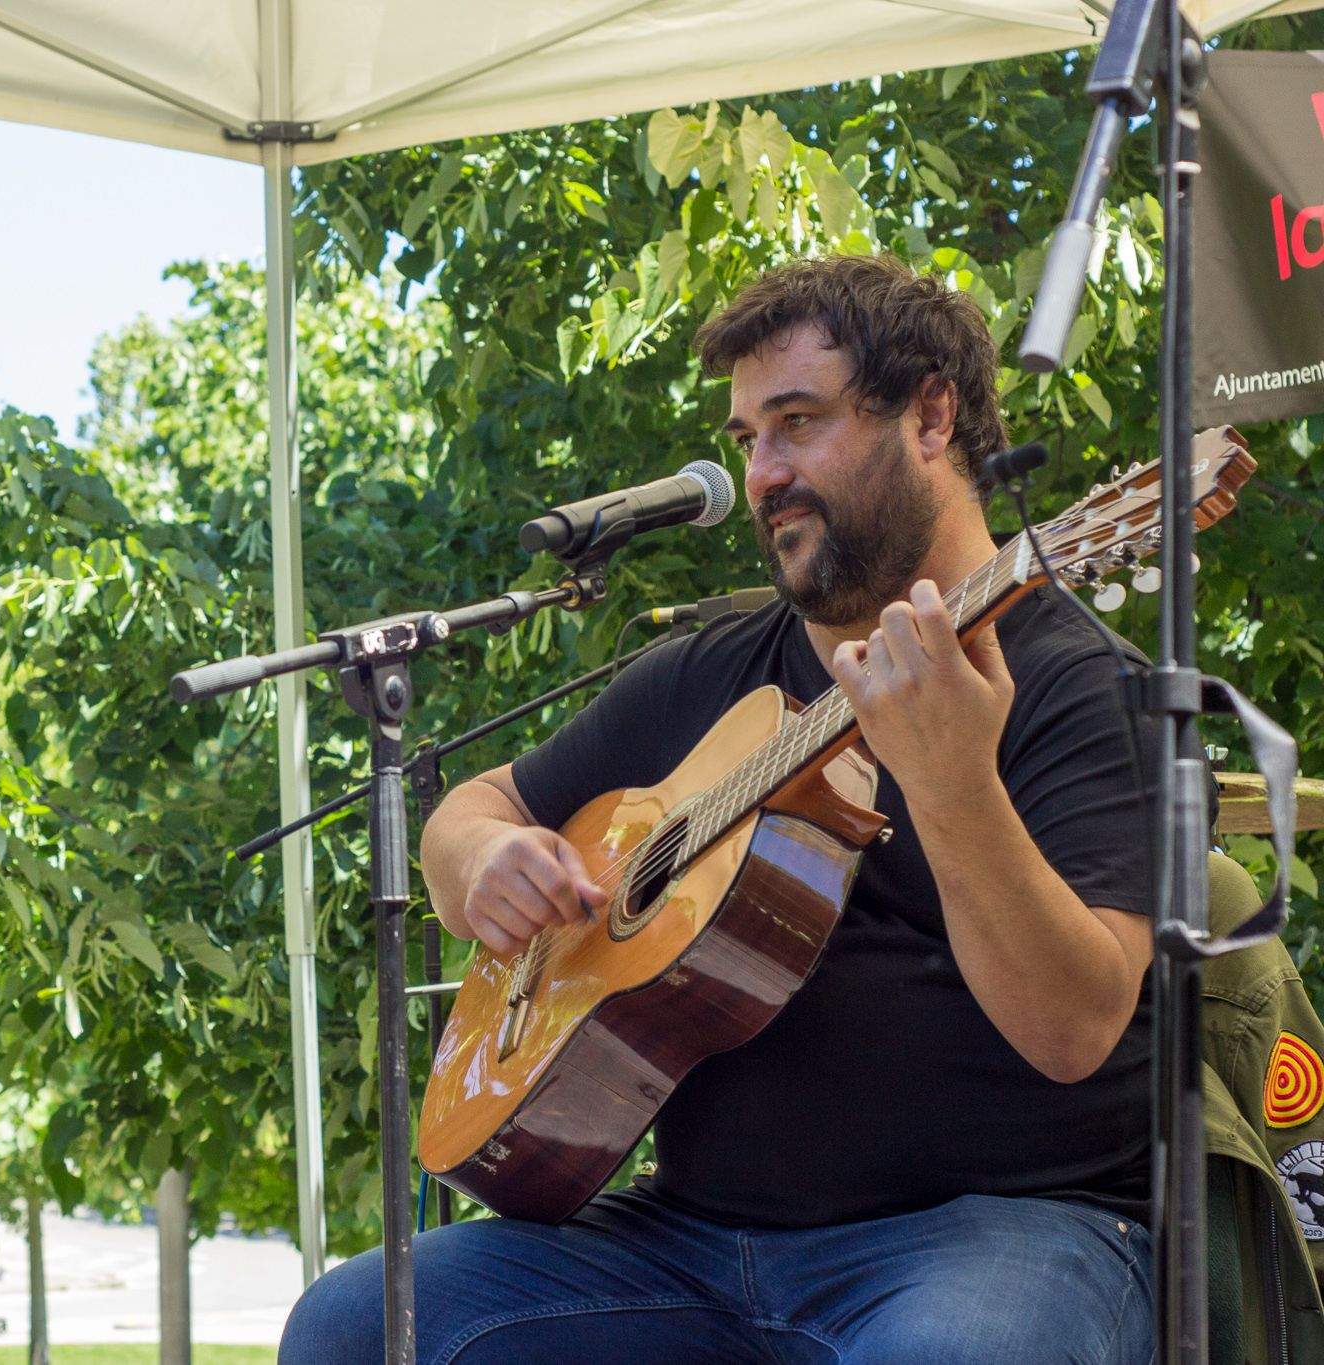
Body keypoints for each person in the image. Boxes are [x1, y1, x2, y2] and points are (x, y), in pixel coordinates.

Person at [281, 253, 1178, 1363]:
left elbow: (1074, 1030)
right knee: (355, 1323)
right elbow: (474, 805)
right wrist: (481, 863)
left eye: (797, 422)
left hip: (1001, 1232)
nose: (761, 473)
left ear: (931, 415)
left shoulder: (1087, 688)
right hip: (686, 1242)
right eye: (748, 438)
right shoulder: (702, 677)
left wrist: (953, 783)